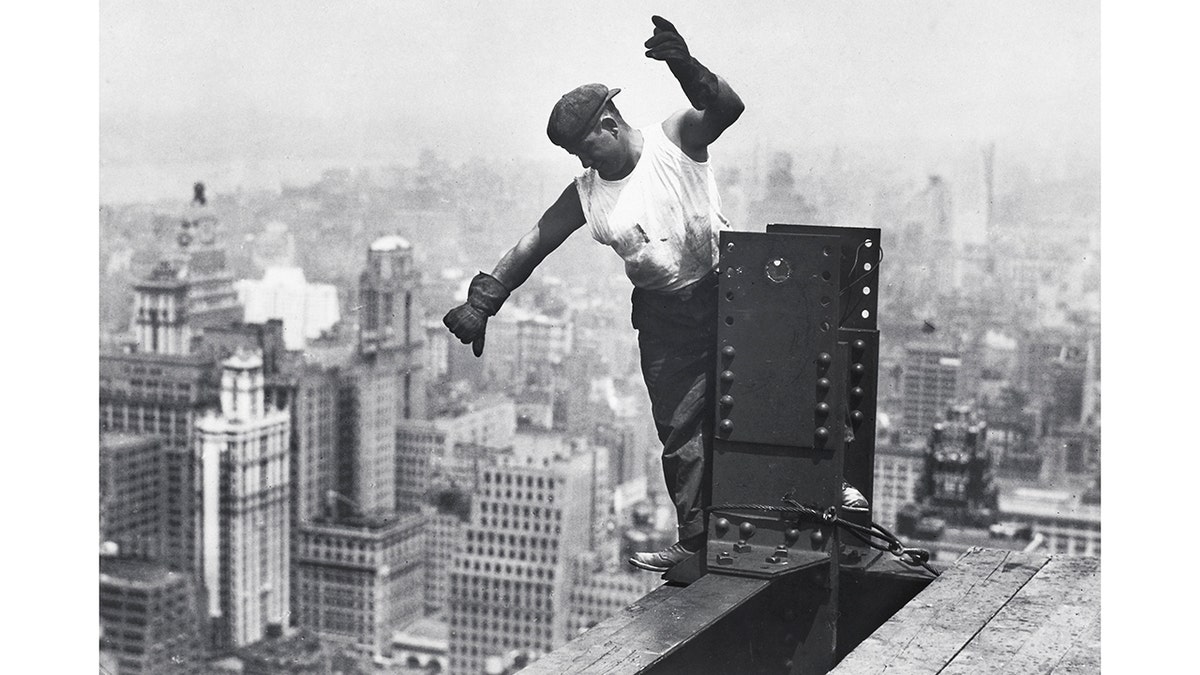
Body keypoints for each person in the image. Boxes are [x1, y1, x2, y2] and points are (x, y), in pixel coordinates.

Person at [444, 16, 865, 573]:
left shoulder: (674, 143)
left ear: (612, 123)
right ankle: (696, 540)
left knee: (777, 388)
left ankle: (834, 488)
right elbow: (535, 241)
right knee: (680, 428)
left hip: (729, 292)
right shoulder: (588, 195)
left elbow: (725, 110)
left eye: (584, 144)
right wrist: (484, 300)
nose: (582, 159)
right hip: (665, 315)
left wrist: (684, 66)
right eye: (572, 151)